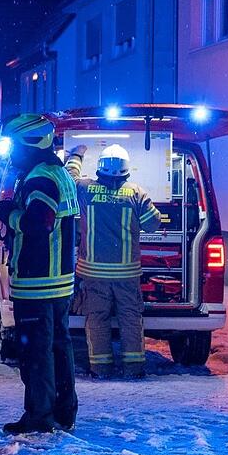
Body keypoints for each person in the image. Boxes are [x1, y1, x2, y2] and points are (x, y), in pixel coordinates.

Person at [0, 114, 79, 435]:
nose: (10, 155)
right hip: (58, 281)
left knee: (36, 353)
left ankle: (39, 417)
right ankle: (63, 412)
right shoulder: (57, 174)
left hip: (37, 282)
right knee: (58, 347)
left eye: (13, 147)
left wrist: (9, 213)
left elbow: (38, 223)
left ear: (29, 145)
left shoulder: (40, 179)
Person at [65, 144, 162, 379]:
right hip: (127, 274)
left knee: (97, 320)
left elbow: (68, 178)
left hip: (94, 274)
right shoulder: (137, 193)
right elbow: (153, 223)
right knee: (130, 320)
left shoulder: (86, 189)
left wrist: (76, 155)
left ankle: (100, 369)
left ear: (100, 169)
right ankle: (134, 369)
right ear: (127, 170)